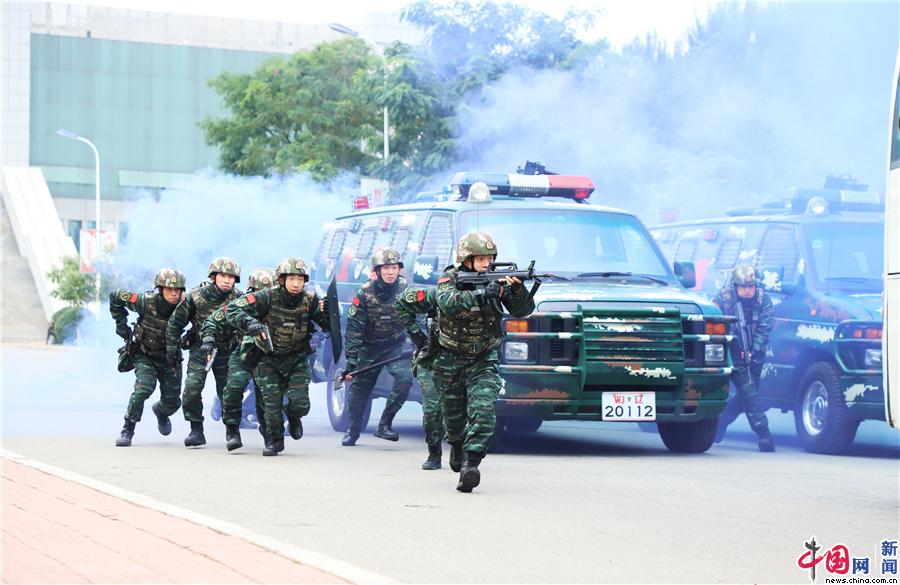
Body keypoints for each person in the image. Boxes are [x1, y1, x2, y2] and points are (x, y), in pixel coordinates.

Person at [432, 233, 535, 492]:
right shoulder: (449, 279)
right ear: (466, 260)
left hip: (483, 357)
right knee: (453, 420)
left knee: (483, 411)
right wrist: (481, 295)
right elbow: (447, 303)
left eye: (490, 259)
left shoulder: (498, 282)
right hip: (450, 358)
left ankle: (471, 464)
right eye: (480, 259)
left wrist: (517, 290)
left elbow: (523, 311)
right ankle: (456, 444)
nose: (486, 263)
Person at [225, 257, 330, 456]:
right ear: (281, 280)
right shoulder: (266, 296)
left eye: (300, 279)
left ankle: (294, 416)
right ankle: (275, 440)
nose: (296, 284)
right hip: (267, 358)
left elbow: (325, 325)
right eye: (292, 279)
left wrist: (328, 312)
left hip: (297, 358)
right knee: (271, 404)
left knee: (301, 404)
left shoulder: (310, 300)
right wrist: (250, 323)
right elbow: (233, 309)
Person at [166, 257, 242, 448]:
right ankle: (196, 430)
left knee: (229, 393)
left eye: (231, 277)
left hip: (227, 350)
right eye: (223, 275)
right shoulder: (196, 297)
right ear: (214, 276)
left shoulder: (239, 299)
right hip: (201, 349)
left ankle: (233, 432)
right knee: (191, 390)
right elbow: (175, 323)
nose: (227, 280)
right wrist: (172, 349)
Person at [340, 248, 413, 446]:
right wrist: (352, 362)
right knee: (360, 388)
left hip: (396, 346)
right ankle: (352, 429)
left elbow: (418, 318)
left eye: (394, 268)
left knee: (405, 379)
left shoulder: (407, 290)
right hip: (370, 346)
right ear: (378, 270)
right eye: (386, 268)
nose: (391, 272)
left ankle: (385, 424)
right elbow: (354, 330)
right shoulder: (364, 293)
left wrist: (415, 342)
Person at [199, 267, 276, 451]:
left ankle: (269, 433)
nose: (261, 296)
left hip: (270, 359)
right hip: (243, 354)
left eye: (266, 292)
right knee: (234, 388)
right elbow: (212, 321)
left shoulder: (281, 303)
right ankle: (232, 430)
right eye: (257, 291)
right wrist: (208, 339)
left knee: (270, 397)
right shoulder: (239, 304)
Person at [109, 268, 186, 447]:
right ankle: (127, 429)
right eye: (169, 289)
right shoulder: (145, 301)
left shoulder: (187, 305)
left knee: (173, 403)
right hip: (145, 354)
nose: (174, 293)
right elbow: (115, 296)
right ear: (160, 289)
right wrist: (121, 325)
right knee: (143, 389)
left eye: (177, 289)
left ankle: (161, 412)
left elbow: (204, 320)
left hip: (170, 359)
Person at [713, 263, 776, 452]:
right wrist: (733, 342)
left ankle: (722, 420)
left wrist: (753, 348)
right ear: (735, 286)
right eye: (743, 287)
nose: (748, 290)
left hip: (754, 352)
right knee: (750, 393)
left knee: (747, 394)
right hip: (727, 350)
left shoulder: (764, 299)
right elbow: (712, 320)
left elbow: (766, 327)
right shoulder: (723, 298)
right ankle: (764, 435)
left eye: (751, 287)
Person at [395, 285, 444, 469]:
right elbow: (401, 302)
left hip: (462, 360)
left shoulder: (485, 294)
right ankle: (434, 452)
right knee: (431, 410)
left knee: (457, 411)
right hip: (431, 358)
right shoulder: (437, 294)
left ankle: (458, 448)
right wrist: (417, 335)